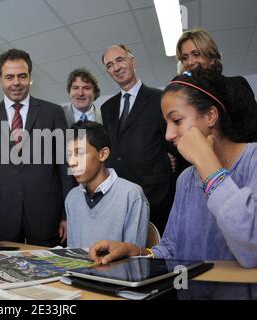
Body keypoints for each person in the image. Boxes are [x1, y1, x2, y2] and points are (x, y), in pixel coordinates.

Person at [89, 68, 257, 269]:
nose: (168, 135)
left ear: (211, 115)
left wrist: (207, 162)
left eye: (177, 120)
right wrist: (137, 252)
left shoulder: (252, 160)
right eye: (166, 123)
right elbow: (171, 249)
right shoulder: (186, 179)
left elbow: (251, 251)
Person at [0, 48, 75, 247]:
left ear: (30, 78)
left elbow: (66, 168)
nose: (16, 82)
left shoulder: (54, 113)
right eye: (9, 77)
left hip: (47, 217)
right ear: (1, 79)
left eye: (22, 76)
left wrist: (68, 215)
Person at [100, 44, 174, 234]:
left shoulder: (160, 98)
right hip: (121, 197)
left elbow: (173, 142)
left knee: (158, 253)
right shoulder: (107, 108)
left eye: (120, 60)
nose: (116, 68)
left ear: (133, 61)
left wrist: (170, 161)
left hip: (156, 195)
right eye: (109, 65)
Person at [65, 120, 149, 248]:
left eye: (80, 153)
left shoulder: (131, 195)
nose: (72, 162)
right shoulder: (72, 198)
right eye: (69, 155)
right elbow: (72, 252)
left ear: (103, 154)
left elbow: (134, 256)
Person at [176, 28, 257, 142]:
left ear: (212, 57)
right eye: (185, 57)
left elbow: (253, 128)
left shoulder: (237, 85)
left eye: (196, 54)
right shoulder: (186, 96)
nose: (190, 62)